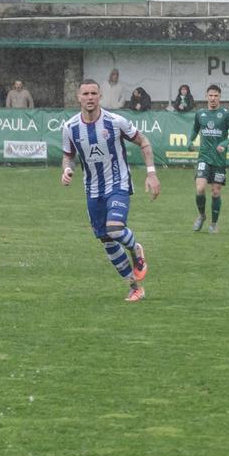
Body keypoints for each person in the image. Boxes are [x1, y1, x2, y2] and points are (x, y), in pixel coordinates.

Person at [61, 79, 160, 303]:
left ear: (100, 96)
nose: (89, 97)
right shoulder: (70, 127)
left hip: (118, 184)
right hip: (92, 190)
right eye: (85, 93)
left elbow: (143, 142)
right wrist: (66, 170)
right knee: (106, 239)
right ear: (78, 97)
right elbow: (68, 155)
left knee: (114, 229)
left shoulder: (115, 122)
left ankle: (136, 249)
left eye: (93, 93)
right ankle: (135, 287)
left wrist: (151, 173)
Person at [189, 84, 229, 233]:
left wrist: (224, 143)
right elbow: (195, 129)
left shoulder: (226, 114)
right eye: (210, 95)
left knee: (216, 192)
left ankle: (213, 223)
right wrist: (190, 140)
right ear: (206, 96)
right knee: (199, 188)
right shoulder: (200, 114)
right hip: (204, 157)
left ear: (220, 97)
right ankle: (201, 215)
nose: (213, 98)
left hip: (219, 160)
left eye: (216, 95)